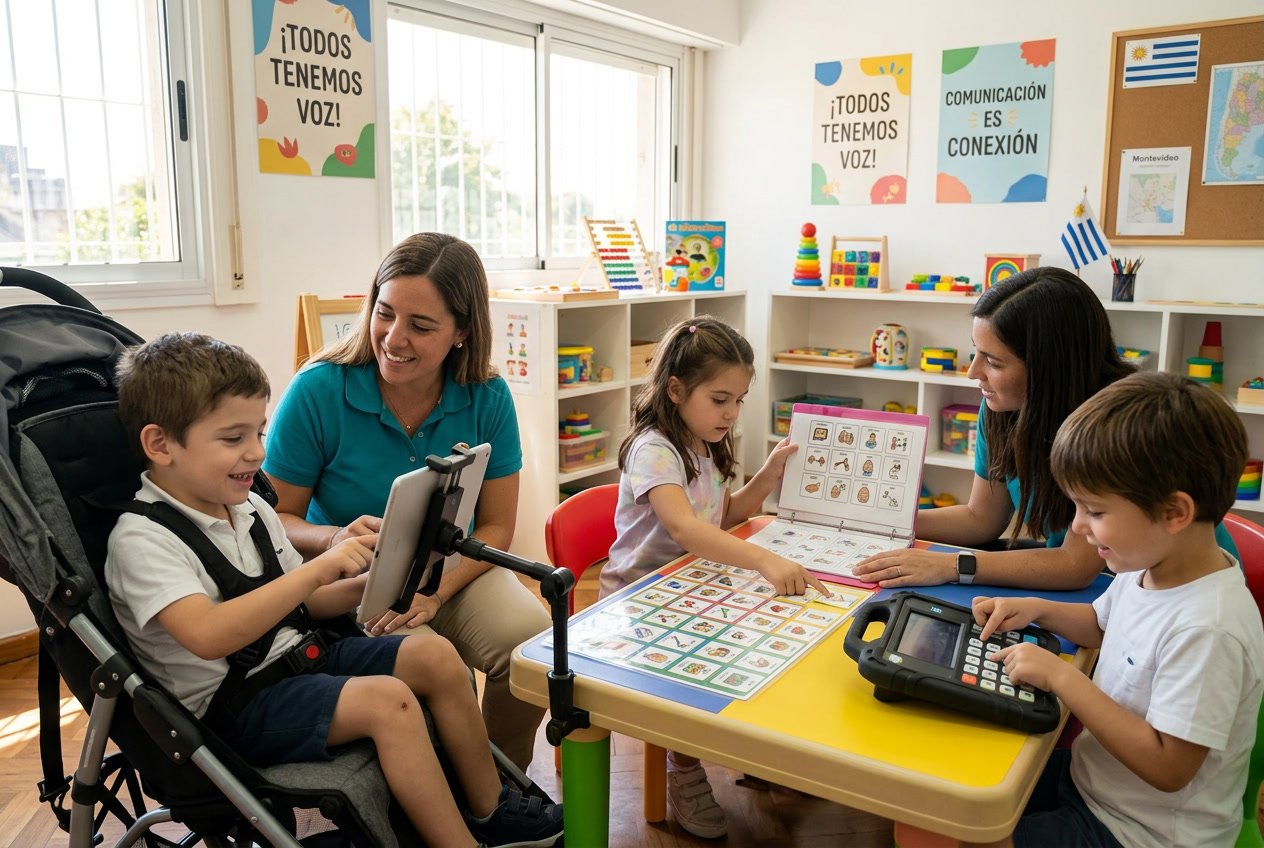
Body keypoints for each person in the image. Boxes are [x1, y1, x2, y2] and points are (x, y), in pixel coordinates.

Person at [105, 333, 563, 848]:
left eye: (259, 432)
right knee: (388, 701)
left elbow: (304, 606)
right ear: (160, 444)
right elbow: (208, 635)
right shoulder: (142, 540)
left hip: (300, 657)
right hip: (234, 706)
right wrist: (318, 569)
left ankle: (489, 809)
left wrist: (376, 582)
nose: (257, 453)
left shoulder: (249, 509)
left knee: (436, 656)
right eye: (234, 439)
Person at [263, 233, 548, 770]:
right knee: (446, 675)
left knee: (530, 646)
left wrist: (437, 592)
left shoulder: (487, 394)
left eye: (420, 326)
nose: (393, 338)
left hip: (451, 569)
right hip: (357, 581)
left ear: (462, 332)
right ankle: (453, 795)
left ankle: (500, 782)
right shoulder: (319, 389)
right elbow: (274, 518)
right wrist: (334, 538)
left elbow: (495, 527)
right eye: (384, 313)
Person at [968, 372, 1264, 848]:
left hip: (1142, 833)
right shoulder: (1146, 567)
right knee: (974, 789)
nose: (1078, 527)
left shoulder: (1210, 627)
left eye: (1095, 511)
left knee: (975, 839)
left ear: (1174, 513)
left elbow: (1168, 768)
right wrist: (1034, 609)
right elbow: (1101, 626)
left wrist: (1064, 678)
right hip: (1096, 783)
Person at [853, 266, 1238, 590]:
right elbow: (981, 517)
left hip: (1170, 593)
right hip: (1114, 590)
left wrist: (952, 566)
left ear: (1049, 368)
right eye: (976, 352)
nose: (973, 373)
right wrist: (881, 519)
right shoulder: (1002, 408)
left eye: (994, 362)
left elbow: (1075, 565)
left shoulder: (1119, 427)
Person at [601, 316, 829, 839]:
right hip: (637, 597)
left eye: (739, 400)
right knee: (701, 662)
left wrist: (768, 476)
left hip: (693, 581)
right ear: (676, 390)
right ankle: (686, 769)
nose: (730, 412)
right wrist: (766, 561)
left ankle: (754, 745)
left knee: (777, 631)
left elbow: (721, 518)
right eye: (720, 398)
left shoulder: (705, 443)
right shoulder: (655, 448)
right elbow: (685, 528)